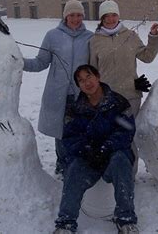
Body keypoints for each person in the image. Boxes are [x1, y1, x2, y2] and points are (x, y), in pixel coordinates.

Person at [54, 65, 139, 234]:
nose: (87, 83)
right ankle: (66, 224)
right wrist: (86, 150)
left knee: (121, 162)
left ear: (98, 77)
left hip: (113, 154)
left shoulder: (118, 102)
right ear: (78, 86)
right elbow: (70, 137)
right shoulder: (76, 109)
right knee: (74, 171)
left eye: (89, 77)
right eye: (81, 80)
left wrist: (106, 147)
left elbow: (126, 131)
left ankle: (126, 220)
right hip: (88, 158)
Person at [23, 0, 93, 174]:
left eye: (79, 15)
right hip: (58, 95)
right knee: (61, 134)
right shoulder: (52, 36)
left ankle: (78, 166)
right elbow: (41, 62)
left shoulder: (90, 38)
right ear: (65, 16)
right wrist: (19, 62)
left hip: (82, 95)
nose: (75, 19)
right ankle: (62, 167)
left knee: (81, 132)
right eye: (72, 15)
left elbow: (98, 65)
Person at [90, 0, 158, 117]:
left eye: (114, 15)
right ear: (101, 19)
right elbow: (93, 71)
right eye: (106, 16)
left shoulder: (130, 36)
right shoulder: (94, 41)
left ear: (118, 16)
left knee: (130, 131)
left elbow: (147, 57)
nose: (111, 19)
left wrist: (153, 37)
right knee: (109, 133)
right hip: (107, 98)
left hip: (130, 96)